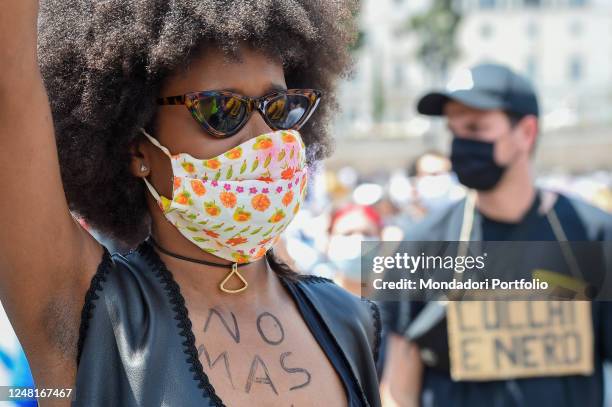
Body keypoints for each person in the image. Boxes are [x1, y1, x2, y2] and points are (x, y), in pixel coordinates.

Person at [0, 1, 382, 406]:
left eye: (280, 109)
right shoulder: (87, 313)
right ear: (137, 148)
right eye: (222, 110)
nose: (264, 139)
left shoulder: (350, 322)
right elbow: (8, 80)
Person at [379, 63, 612, 406]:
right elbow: (398, 390)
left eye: (475, 127)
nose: (461, 143)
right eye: (454, 130)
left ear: (526, 133)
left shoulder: (593, 235)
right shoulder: (421, 245)